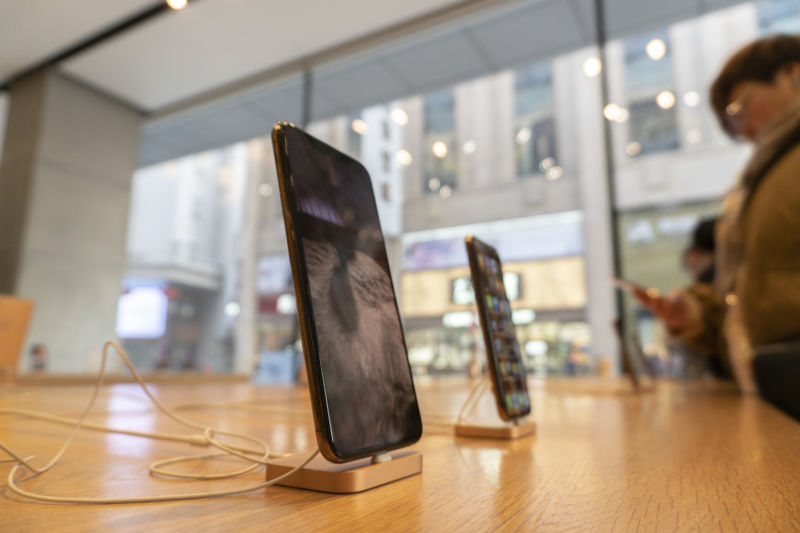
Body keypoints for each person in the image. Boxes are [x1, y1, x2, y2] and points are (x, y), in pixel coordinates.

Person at [635, 34, 800, 420]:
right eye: (729, 124)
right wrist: (695, 313)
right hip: (769, 392)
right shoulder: (762, 176)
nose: (740, 130)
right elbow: (752, 297)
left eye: (739, 109)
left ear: (793, 74)